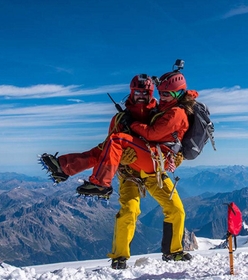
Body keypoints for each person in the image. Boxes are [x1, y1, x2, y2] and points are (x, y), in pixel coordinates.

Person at [76, 70, 195, 268]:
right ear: (131, 93)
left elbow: (168, 138)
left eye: (145, 93)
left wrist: (175, 155)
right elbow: (109, 148)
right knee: (129, 210)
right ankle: (119, 256)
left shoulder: (159, 114)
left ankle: (173, 252)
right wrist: (122, 160)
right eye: (137, 93)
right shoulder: (120, 119)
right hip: (129, 174)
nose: (141, 96)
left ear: (151, 94)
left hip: (154, 172)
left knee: (176, 209)